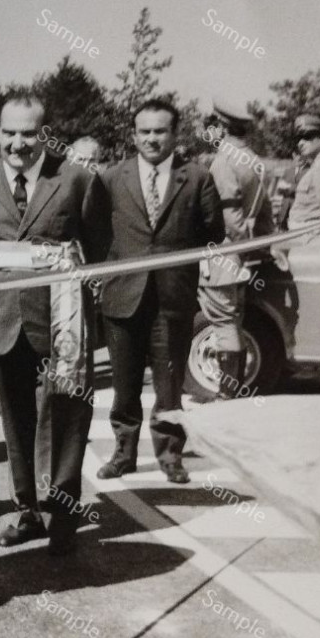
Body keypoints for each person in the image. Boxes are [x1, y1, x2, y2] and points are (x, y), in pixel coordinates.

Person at [0, 96, 105, 556]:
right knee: (15, 419)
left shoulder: (76, 179)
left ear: (44, 134)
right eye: (9, 133)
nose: (18, 143)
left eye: (28, 133)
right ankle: (26, 510)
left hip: (59, 319)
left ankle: (62, 510)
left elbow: (98, 245)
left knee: (64, 416)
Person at [91, 99, 225, 485]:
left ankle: (170, 456)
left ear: (174, 134)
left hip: (173, 298)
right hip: (123, 297)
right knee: (124, 383)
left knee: (169, 385)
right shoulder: (111, 178)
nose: (152, 139)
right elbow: (98, 231)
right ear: (133, 135)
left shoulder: (196, 177)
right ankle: (123, 453)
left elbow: (212, 232)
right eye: (145, 131)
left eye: (160, 131)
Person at [196, 100, 274, 399]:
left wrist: (238, 242)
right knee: (232, 321)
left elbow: (229, 217)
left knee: (224, 324)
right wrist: (257, 246)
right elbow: (262, 210)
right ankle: (232, 392)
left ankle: (227, 394)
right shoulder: (253, 159)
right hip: (241, 256)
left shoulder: (225, 161)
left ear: (221, 127)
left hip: (223, 255)